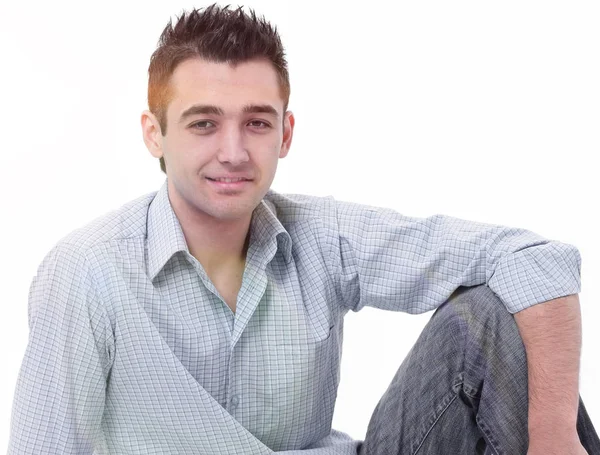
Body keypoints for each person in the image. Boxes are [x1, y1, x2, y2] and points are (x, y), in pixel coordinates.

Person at [6, 4, 600, 454]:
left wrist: (551, 438)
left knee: (491, 318)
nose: (233, 152)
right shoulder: (86, 273)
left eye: (256, 123)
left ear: (285, 134)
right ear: (154, 134)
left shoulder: (322, 236)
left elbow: (535, 260)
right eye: (204, 123)